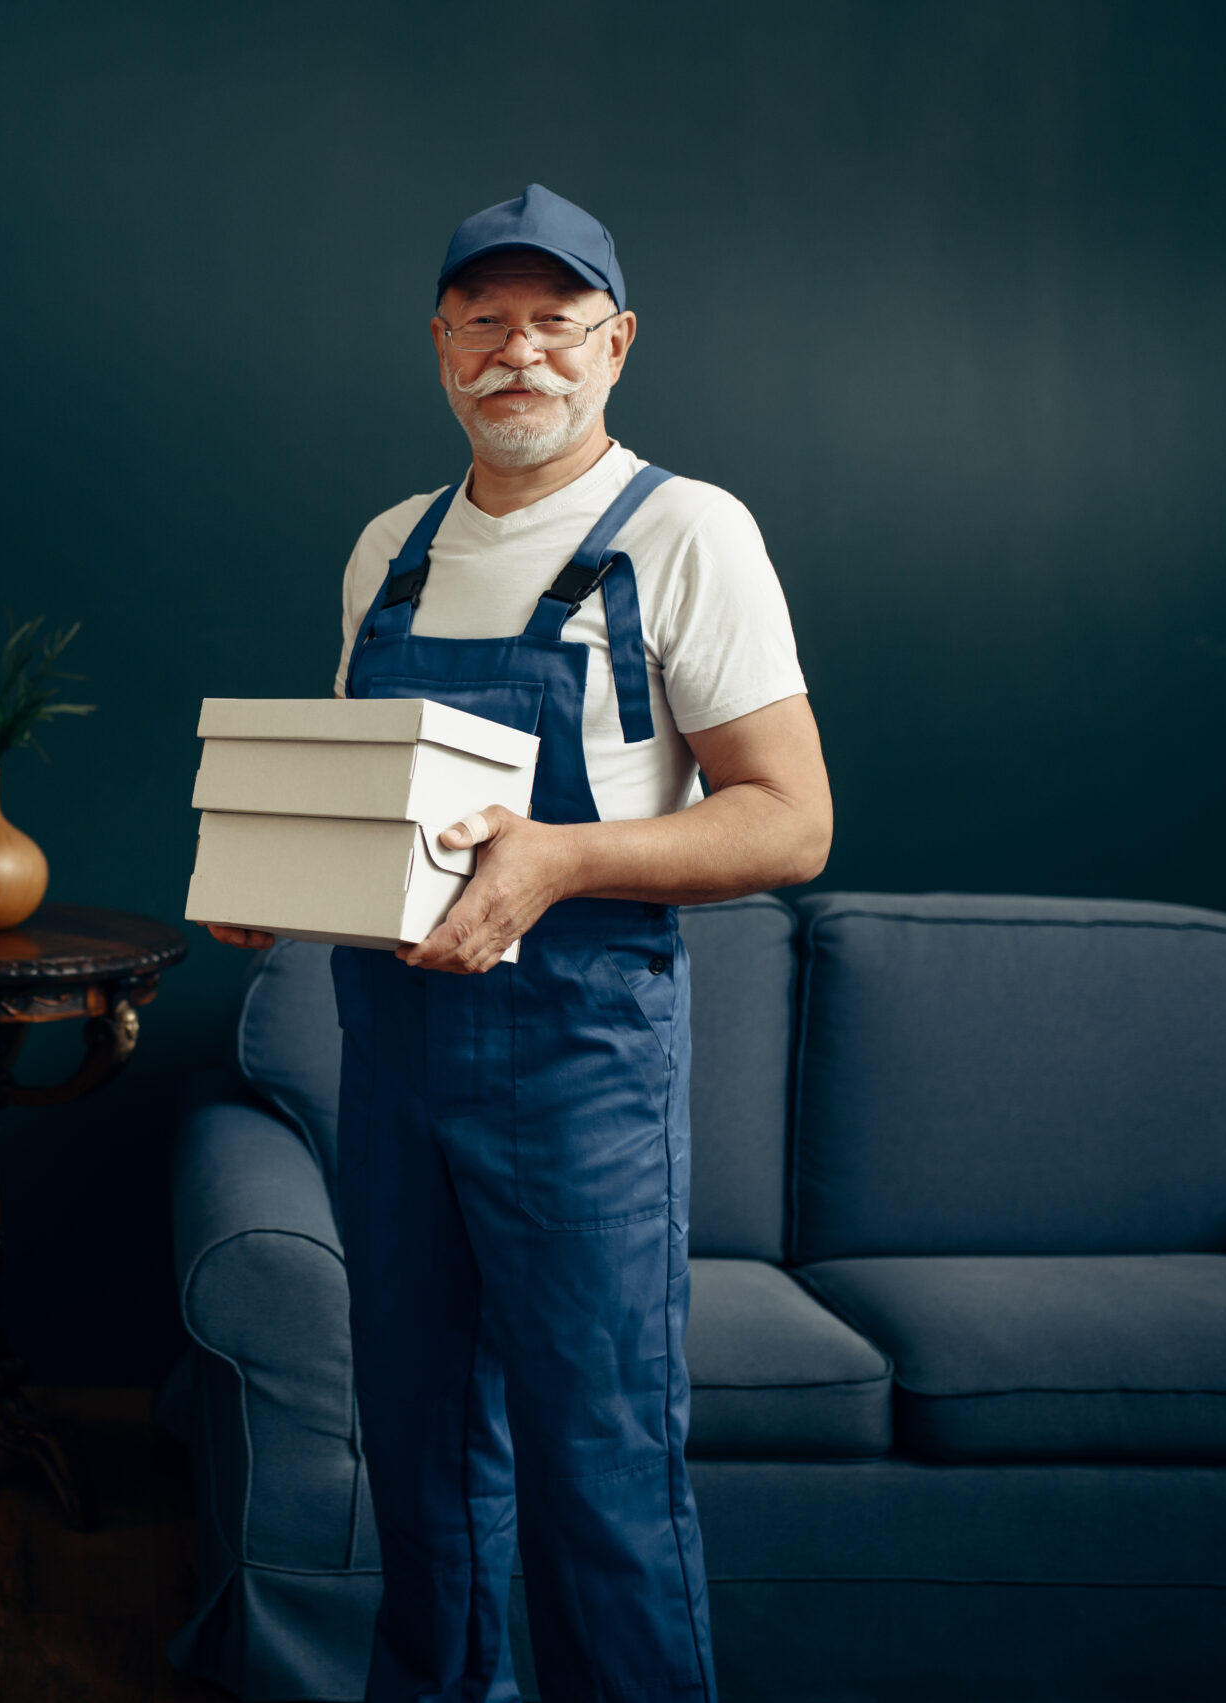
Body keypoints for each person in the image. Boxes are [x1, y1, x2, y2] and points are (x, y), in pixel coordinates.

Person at [206, 184, 832, 1703]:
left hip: (579, 1065)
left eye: (557, 322)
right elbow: (377, 805)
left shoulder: (687, 533)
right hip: (395, 1053)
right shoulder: (388, 552)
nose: (520, 352)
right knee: (416, 1438)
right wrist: (273, 871)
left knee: (595, 1459)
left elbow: (789, 823)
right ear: (439, 344)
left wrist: (563, 861)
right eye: (486, 320)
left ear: (617, 345)